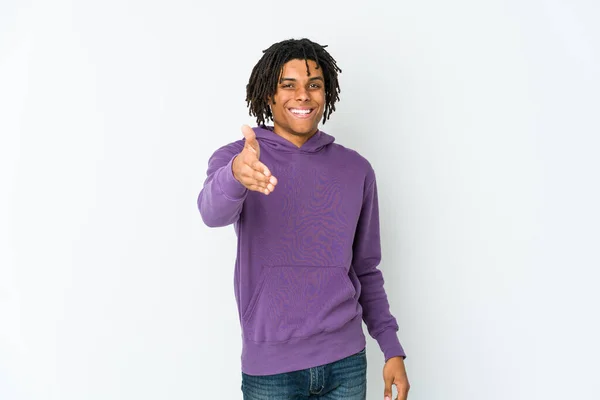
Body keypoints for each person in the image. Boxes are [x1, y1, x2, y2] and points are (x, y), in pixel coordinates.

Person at [197, 38, 410, 400]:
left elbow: (366, 268)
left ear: (326, 94)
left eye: (314, 85)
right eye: (288, 85)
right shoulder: (241, 158)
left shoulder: (355, 169)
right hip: (272, 370)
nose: (303, 95)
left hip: (346, 361)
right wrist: (235, 175)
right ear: (269, 95)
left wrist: (391, 347)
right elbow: (211, 212)